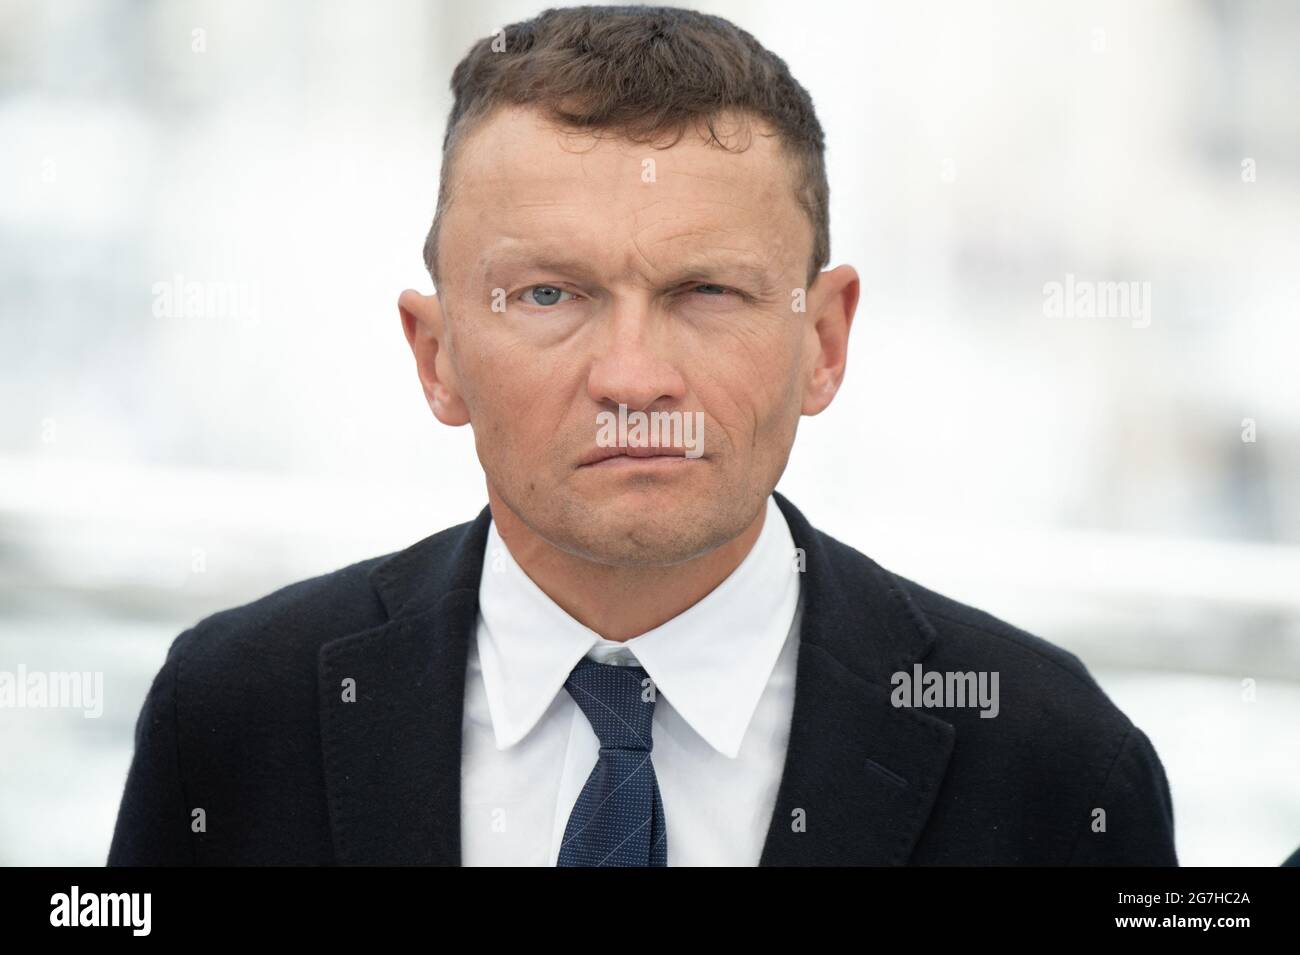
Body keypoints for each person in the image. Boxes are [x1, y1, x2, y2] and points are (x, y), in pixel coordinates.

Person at [108, 5, 1177, 866]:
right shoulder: (238, 711)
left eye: (706, 290)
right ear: (435, 354)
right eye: (546, 293)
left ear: (824, 340)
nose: (633, 376)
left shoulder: (1050, 759)